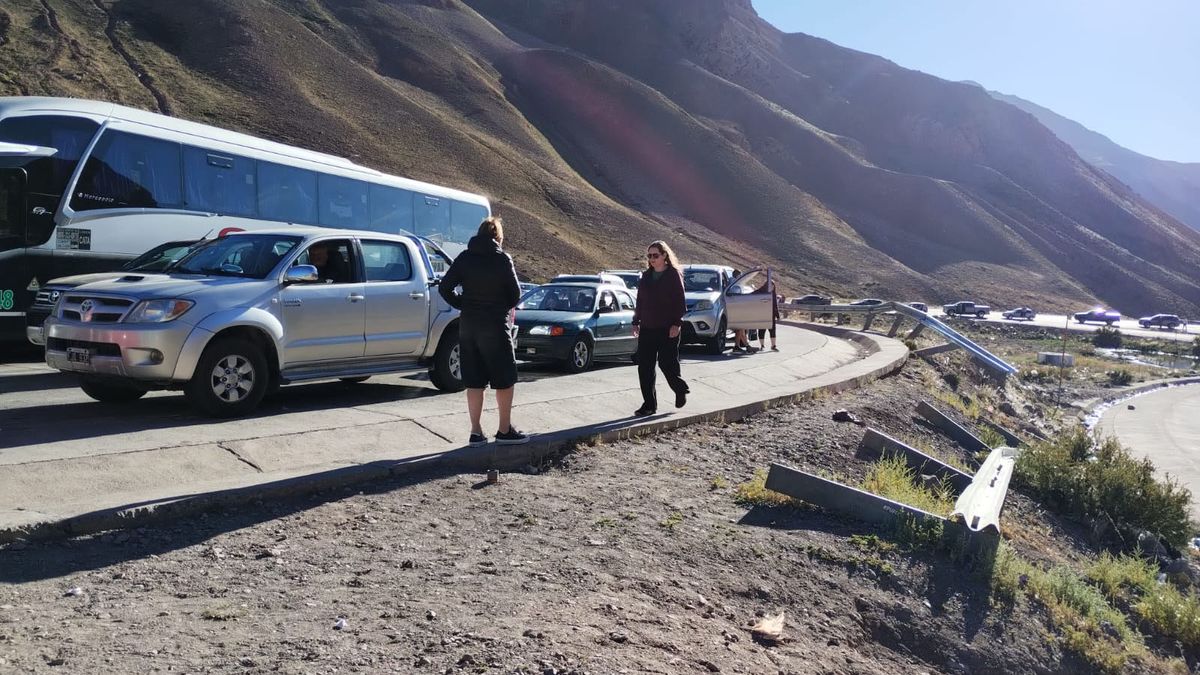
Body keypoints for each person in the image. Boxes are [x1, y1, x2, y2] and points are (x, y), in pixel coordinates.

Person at [438, 217, 529, 447]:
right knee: (504, 379)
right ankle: (504, 430)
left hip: (468, 326)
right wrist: (499, 306)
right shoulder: (502, 259)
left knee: (474, 381)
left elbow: (444, 287)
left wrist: (463, 304)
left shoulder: (464, 258)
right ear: (498, 236)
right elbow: (515, 294)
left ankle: (476, 432)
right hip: (496, 326)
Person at [632, 240, 689, 416]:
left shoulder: (673, 275)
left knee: (667, 364)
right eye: (649, 256)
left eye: (655, 255)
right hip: (648, 327)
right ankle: (649, 405)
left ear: (665, 256)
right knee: (645, 367)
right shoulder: (646, 276)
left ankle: (680, 389)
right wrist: (636, 321)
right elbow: (640, 301)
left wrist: (677, 323)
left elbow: (680, 301)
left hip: (667, 328)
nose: (651, 259)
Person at [752, 276, 780, 351]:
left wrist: (778, 315)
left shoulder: (773, 294)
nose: (772, 287)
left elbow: (775, 306)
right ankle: (762, 345)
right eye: (770, 286)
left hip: (771, 315)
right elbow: (752, 294)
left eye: (773, 286)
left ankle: (773, 346)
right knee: (761, 330)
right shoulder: (760, 292)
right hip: (762, 314)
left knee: (773, 330)